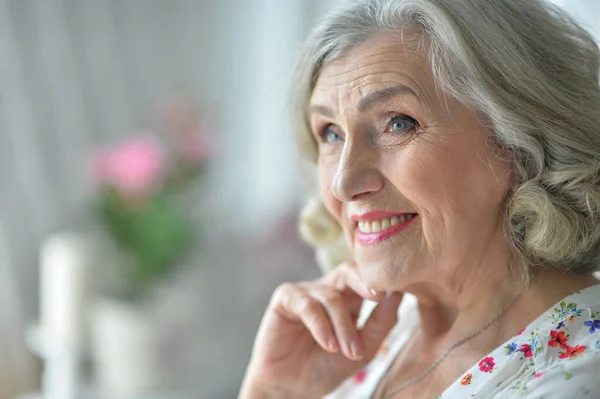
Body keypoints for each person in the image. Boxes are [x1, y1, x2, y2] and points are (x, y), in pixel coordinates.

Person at [240, 0, 600, 397]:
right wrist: (273, 390)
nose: (344, 183)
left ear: (517, 141)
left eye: (398, 123)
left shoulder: (578, 371)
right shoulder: (372, 342)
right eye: (330, 133)